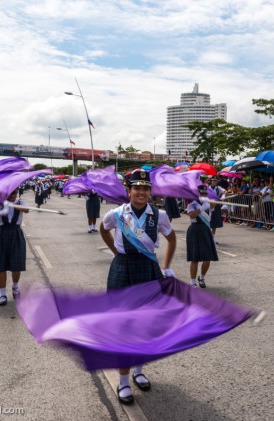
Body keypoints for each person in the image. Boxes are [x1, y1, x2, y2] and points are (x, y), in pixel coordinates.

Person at [99, 169, 177, 406]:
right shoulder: (117, 213)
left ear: (150, 191)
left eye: (145, 188)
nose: (141, 192)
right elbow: (104, 229)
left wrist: (166, 266)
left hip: (148, 268)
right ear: (128, 190)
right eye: (137, 188)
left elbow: (171, 239)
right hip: (122, 270)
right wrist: (116, 252)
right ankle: (123, 382)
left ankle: (139, 370)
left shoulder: (159, 215)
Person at [0, 191, 29, 306]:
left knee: (17, 264)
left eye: (14, 193)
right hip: (1, 233)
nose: (12, 196)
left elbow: (26, 210)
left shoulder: (20, 202)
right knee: (1, 266)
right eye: (10, 194)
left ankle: (15, 287)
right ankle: (3, 294)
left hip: (15, 233)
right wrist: (2, 211)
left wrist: (15, 206)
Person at [185, 184, 219, 288]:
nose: (204, 195)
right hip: (195, 230)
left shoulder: (208, 203)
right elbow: (192, 215)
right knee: (195, 258)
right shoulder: (192, 204)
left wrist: (214, 200)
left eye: (205, 193)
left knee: (207, 258)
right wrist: (202, 208)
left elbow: (214, 204)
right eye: (201, 193)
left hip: (205, 230)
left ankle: (202, 278)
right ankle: (193, 281)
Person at [209, 178, 225, 242]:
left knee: (214, 222)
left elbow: (225, 191)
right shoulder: (207, 188)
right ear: (211, 181)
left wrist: (223, 196)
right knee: (208, 221)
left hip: (216, 205)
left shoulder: (218, 188)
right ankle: (208, 236)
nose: (215, 182)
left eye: (216, 181)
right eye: (213, 181)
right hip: (208, 205)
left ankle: (213, 237)